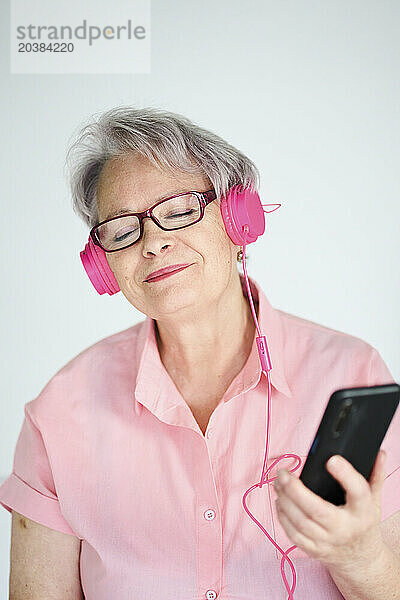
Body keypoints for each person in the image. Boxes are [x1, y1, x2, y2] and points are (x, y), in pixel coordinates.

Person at [0, 106, 399, 600]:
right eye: (122, 230)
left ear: (239, 219)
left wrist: (360, 557)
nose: (153, 243)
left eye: (180, 209)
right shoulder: (59, 412)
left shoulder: (352, 375)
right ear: (102, 264)